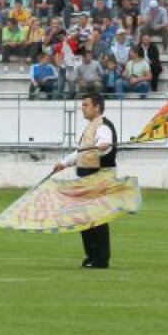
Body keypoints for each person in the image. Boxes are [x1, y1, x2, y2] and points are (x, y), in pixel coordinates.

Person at [52, 92, 118, 269]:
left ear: (97, 107)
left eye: (86, 105)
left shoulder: (103, 126)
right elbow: (81, 151)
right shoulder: (91, 127)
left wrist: (103, 147)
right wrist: (64, 163)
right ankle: (91, 255)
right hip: (86, 178)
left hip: (98, 178)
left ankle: (100, 259)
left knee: (97, 219)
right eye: (82, 104)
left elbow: (105, 144)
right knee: (84, 218)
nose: (83, 108)